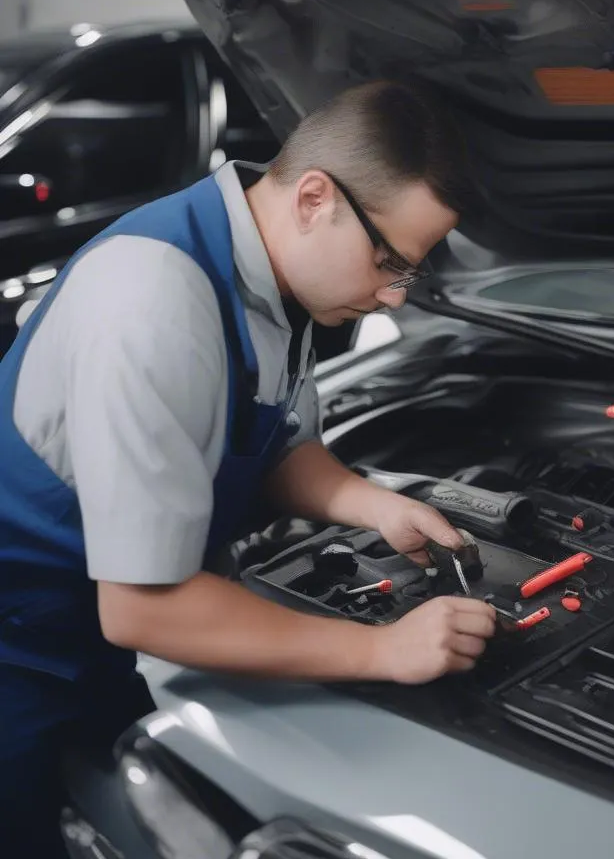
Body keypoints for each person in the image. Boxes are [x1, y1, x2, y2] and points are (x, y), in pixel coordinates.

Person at [0, 78, 497, 854]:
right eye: (391, 262)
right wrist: (383, 651)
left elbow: (266, 445)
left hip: (81, 645)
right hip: (18, 656)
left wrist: (372, 504)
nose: (397, 298)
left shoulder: (273, 279)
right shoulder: (154, 303)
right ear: (313, 199)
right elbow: (144, 609)